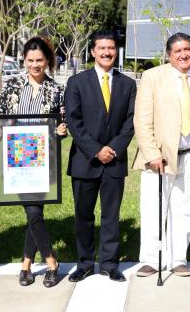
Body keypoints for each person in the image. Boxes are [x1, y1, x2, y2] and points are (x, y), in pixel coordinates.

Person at [0, 37, 67, 287]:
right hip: (16, 160)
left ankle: (26, 264)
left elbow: (62, 122)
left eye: (39, 60)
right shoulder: (12, 86)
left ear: (48, 61)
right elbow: (0, 118)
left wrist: (62, 130)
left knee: (35, 211)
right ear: (24, 60)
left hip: (43, 161)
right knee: (33, 211)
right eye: (30, 60)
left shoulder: (56, 90)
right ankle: (51, 261)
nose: (34, 65)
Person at [133, 33, 190, 278]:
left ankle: (178, 258)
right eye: (177, 51)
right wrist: (151, 152)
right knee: (154, 207)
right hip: (160, 157)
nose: (183, 55)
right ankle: (150, 259)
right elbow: (142, 119)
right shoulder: (153, 77)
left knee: (185, 208)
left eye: (187, 49)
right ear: (168, 54)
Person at [65, 32, 136, 282]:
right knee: (83, 216)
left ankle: (109, 263)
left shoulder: (128, 84)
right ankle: (84, 263)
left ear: (116, 51)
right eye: (102, 48)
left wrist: (113, 148)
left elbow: (130, 123)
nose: (107, 52)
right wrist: (96, 150)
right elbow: (73, 121)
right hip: (85, 161)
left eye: (111, 48)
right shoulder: (76, 82)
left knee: (111, 216)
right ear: (92, 52)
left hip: (115, 162)